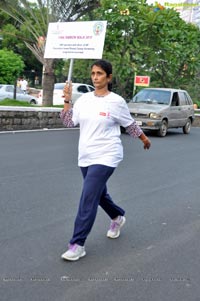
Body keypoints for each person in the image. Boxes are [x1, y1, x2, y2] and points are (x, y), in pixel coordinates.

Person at [60, 59, 151, 261]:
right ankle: (117, 217)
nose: (95, 77)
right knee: (98, 194)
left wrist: (144, 139)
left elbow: (129, 124)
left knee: (88, 197)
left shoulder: (116, 101)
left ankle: (77, 244)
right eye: (93, 73)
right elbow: (68, 122)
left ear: (108, 77)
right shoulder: (83, 100)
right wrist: (67, 101)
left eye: (100, 73)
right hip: (86, 155)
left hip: (107, 154)